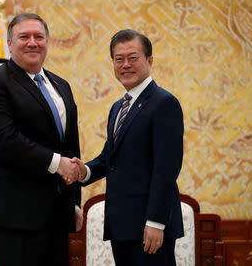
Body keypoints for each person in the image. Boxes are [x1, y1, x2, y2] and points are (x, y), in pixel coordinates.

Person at [0, 13, 83, 266]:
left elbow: (70, 147)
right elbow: (1, 139)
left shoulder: (61, 85)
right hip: (12, 217)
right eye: (24, 37)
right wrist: (55, 163)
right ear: (10, 44)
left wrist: (73, 203)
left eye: (39, 37)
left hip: (56, 215)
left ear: (47, 42)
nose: (32, 42)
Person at [72, 29, 184, 266]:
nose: (125, 65)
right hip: (121, 226)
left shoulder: (164, 103)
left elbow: (166, 169)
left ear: (149, 61)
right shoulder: (118, 107)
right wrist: (84, 172)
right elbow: (109, 159)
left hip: (148, 227)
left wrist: (155, 222)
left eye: (133, 58)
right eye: (118, 59)